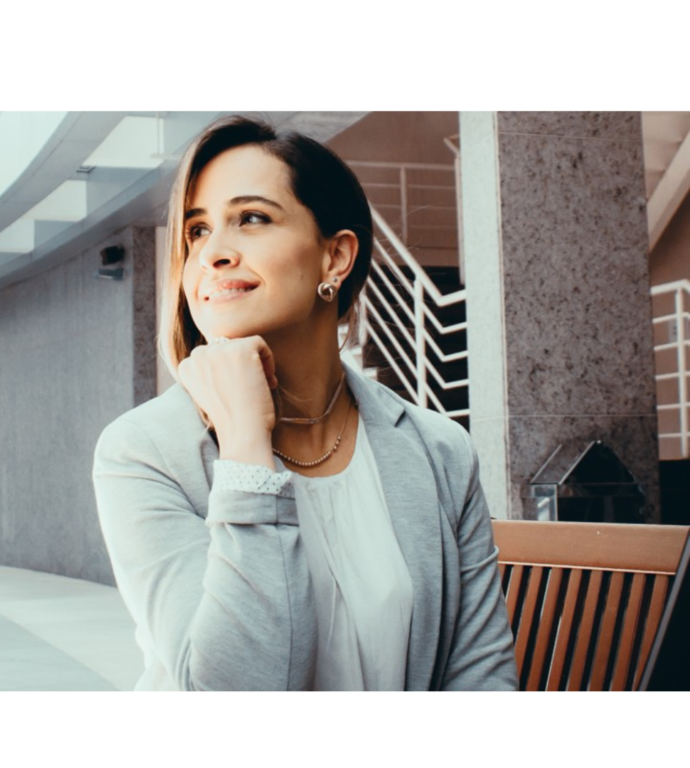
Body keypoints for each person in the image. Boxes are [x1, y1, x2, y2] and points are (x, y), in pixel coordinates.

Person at [92, 115, 518, 691]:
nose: (212, 253)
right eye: (196, 230)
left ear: (335, 257)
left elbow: (481, 679)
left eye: (251, 218)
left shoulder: (441, 452)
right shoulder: (144, 452)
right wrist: (245, 446)